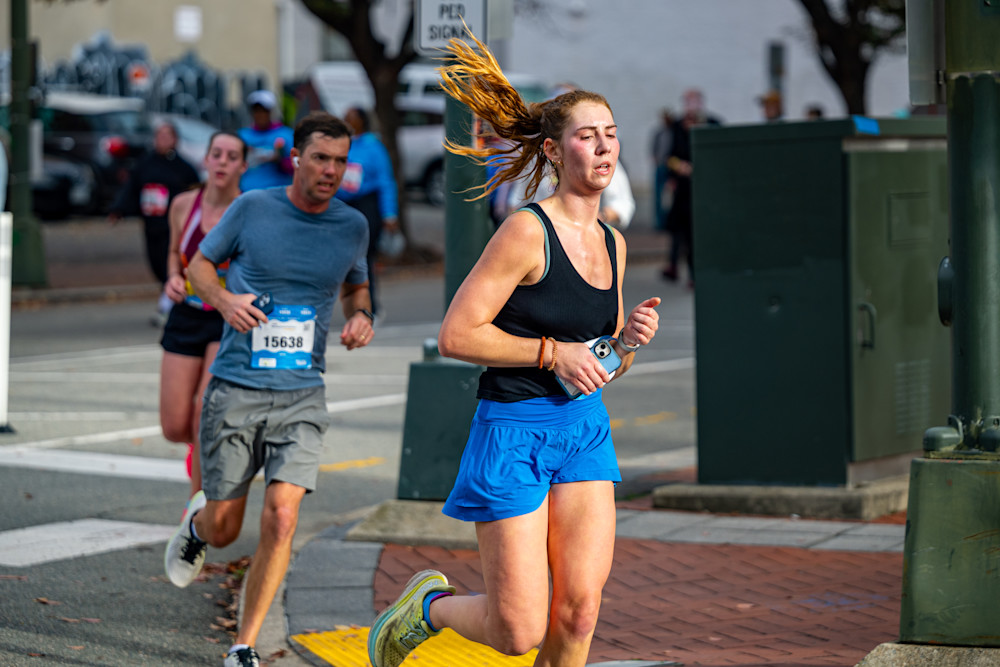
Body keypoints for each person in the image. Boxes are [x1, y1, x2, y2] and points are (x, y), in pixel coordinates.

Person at [368, 31, 660, 667]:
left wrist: (625, 343)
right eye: (588, 135)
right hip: (514, 431)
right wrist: (553, 354)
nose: (605, 146)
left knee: (579, 611)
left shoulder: (614, 243)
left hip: (583, 431)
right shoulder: (527, 231)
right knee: (518, 630)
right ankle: (426, 608)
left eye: (610, 133)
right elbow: (457, 334)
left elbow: (602, 360)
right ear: (554, 151)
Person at [162, 111, 374, 667]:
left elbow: (357, 283)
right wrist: (225, 300)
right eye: (321, 158)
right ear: (297, 158)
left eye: (341, 161)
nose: (331, 170)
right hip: (236, 387)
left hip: (303, 392)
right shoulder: (254, 208)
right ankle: (197, 522)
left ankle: (243, 646)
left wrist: (362, 316)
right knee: (225, 530)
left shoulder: (352, 225)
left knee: (282, 516)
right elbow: (199, 266)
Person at [159, 131, 247, 499]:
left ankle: (195, 515)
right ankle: (195, 449)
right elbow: (173, 252)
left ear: (242, 166)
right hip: (185, 316)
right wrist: (173, 278)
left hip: (224, 319)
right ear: (206, 160)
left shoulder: (248, 209)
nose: (223, 162)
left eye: (231, 156)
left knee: (201, 415)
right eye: (217, 154)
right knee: (175, 424)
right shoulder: (182, 205)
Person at [108, 121, 200, 325]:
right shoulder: (145, 163)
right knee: (156, 264)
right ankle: (170, 299)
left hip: (173, 226)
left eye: (167, 136)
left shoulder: (183, 168)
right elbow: (131, 188)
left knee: (171, 264)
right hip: (151, 225)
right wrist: (118, 209)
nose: (162, 140)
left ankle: (166, 307)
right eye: (159, 135)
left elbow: (196, 193)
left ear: (175, 140)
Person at [335, 106, 401, 319]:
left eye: (352, 118)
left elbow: (385, 181)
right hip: (343, 205)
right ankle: (352, 304)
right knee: (345, 258)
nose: (348, 122)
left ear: (362, 121)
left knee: (364, 257)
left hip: (367, 205)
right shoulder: (339, 145)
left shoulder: (373, 147)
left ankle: (370, 306)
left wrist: (389, 214)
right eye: (345, 118)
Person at [660, 88, 721, 286]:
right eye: (687, 102)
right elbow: (669, 157)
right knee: (680, 230)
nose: (691, 107)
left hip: (705, 187)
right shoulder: (677, 126)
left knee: (700, 232)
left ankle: (700, 272)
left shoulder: (712, 124)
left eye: (694, 102)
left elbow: (719, 154)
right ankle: (681, 269)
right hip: (683, 189)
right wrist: (679, 167)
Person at [238, 89, 295, 191]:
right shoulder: (242, 135)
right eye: (256, 110)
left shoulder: (286, 135)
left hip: (278, 194)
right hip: (247, 193)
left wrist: (280, 159)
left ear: (271, 111)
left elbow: (297, 167)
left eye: (264, 110)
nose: (260, 114)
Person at [651, 108, 674, 231]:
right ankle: (659, 223)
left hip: (670, 167)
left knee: (669, 197)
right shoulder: (659, 133)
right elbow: (653, 149)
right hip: (659, 167)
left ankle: (668, 222)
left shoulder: (674, 132)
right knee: (658, 196)